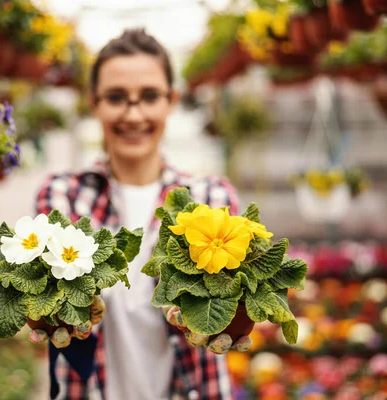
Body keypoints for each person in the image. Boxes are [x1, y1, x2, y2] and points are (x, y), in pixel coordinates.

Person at [31, 28, 251, 400]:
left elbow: (231, 307)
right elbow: (49, 299)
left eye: (149, 97)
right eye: (116, 98)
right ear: (94, 103)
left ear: (171, 101)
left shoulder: (210, 196)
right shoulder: (64, 194)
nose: (134, 114)